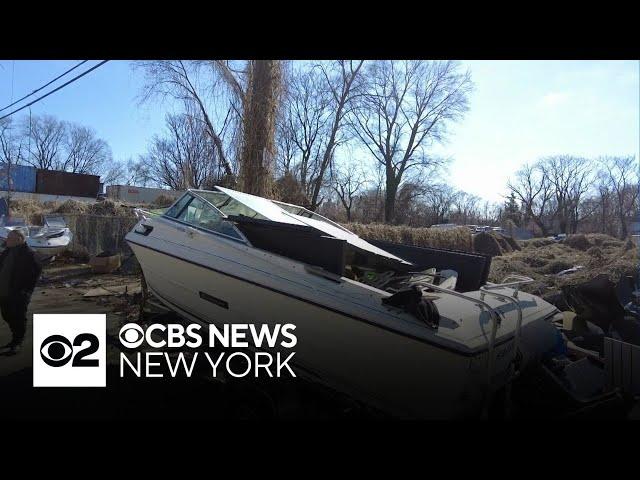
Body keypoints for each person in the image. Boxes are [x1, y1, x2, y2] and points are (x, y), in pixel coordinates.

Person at [0, 229, 42, 355]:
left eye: (9, 238)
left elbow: (35, 273)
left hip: (19, 293)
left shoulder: (29, 254)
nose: (6, 240)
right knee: (6, 315)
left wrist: (25, 291)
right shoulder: (7, 252)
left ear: (18, 240)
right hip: (4, 291)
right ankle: (15, 339)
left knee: (18, 317)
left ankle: (17, 342)